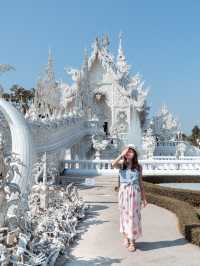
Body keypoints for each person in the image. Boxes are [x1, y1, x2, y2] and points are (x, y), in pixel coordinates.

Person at [111, 144, 148, 252]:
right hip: (124, 193)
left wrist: (144, 198)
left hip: (135, 193)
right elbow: (113, 164)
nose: (128, 153)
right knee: (124, 215)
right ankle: (125, 237)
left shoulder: (138, 167)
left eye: (131, 151)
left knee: (133, 217)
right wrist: (121, 155)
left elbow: (141, 183)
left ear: (135, 154)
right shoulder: (122, 164)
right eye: (127, 152)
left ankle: (132, 242)